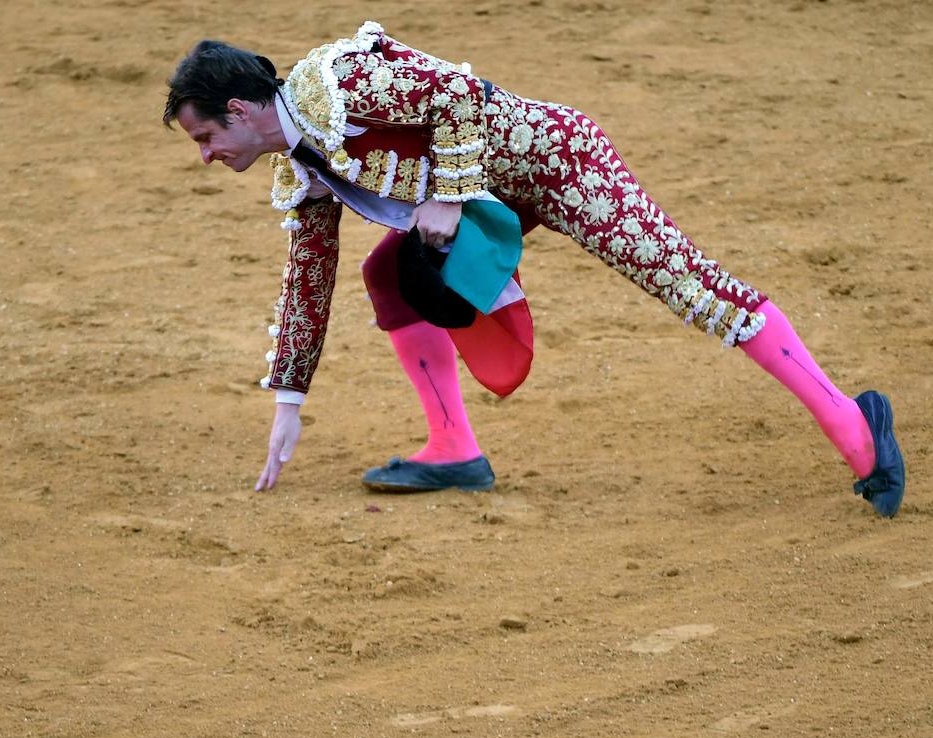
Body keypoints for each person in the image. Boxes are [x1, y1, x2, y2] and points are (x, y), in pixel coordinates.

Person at [162, 21, 905, 517]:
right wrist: (288, 400)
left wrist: (448, 200)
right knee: (390, 277)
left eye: (203, 137)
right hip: (492, 196)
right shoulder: (299, 171)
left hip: (554, 163)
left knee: (686, 283)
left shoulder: (339, 82)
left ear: (238, 108)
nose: (205, 156)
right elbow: (308, 281)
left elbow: (454, 92)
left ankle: (857, 430)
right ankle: (454, 448)